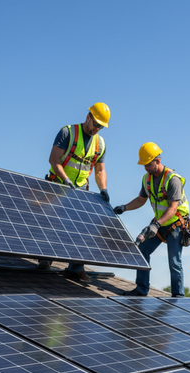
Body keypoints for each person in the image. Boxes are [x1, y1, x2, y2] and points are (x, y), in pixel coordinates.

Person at [37, 103, 111, 282]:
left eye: (101, 126)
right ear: (88, 117)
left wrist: (103, 189)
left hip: (80, 190)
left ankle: (76, 268)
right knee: (51, 224)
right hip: (57, 185)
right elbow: (54, 160)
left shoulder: (100, 144)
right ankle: (45, 260)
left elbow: (100, 171)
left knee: (81, 229)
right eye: (96, 124)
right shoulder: (68, 132)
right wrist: (65, 179)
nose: (97, 129)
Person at [113, 142, 190, 297]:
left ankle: (178, 297)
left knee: (174, 262)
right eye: (144, 165)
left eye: (148, 164)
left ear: (157, 160)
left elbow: (172, 208)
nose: (146, 168)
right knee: (142, 250)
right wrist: (125, 207)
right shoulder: (146, 179)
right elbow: (141, 200)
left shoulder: (173, 179)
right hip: (159, 223)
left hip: (175, 224)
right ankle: (141, 289)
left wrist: (156, 225)